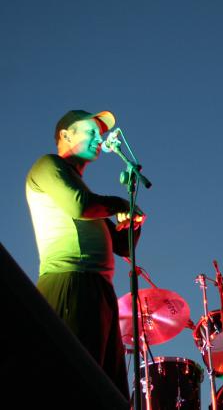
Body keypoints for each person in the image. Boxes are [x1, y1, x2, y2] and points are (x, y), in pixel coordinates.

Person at [25, 109, 144, 398]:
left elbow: (123, 246)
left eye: (99, 134)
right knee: (75, 380)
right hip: (70, 282)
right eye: (90, 131)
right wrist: (119, 203)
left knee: (107, 386)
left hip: (98, 291)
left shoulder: (85, 191)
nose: (98, 139)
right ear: (65, 135)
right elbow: (79, 205)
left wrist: (131, 214)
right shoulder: (48, 165)